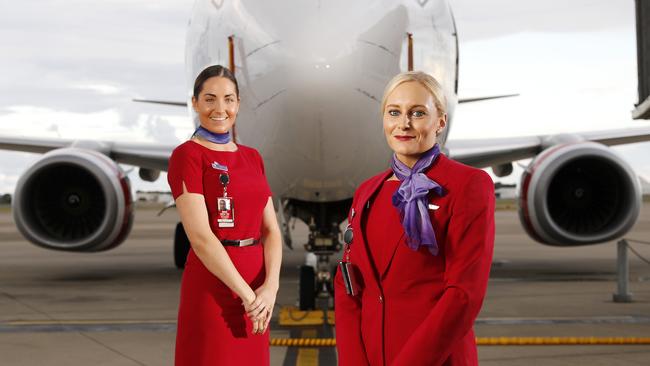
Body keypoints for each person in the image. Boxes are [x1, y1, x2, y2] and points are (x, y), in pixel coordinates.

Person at [334, 71, 495, 366]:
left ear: (441, 121)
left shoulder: (468, 185)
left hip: (434, 359)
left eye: (417, 113)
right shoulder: (367, 192)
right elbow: (348, 287)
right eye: (394, 112)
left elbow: (463, 294)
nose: (403, 124)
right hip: (370, 357)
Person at [167, 65, 282, 365]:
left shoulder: (251, 157)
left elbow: (271, 230)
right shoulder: (187, 156)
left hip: (258, 290)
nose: (220, 109)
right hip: (215, 287)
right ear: (194, 103)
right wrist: (248, 297)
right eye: (210, 99)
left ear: (238, 104)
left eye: (229, 99)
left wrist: (270, 288)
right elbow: (202, 239)